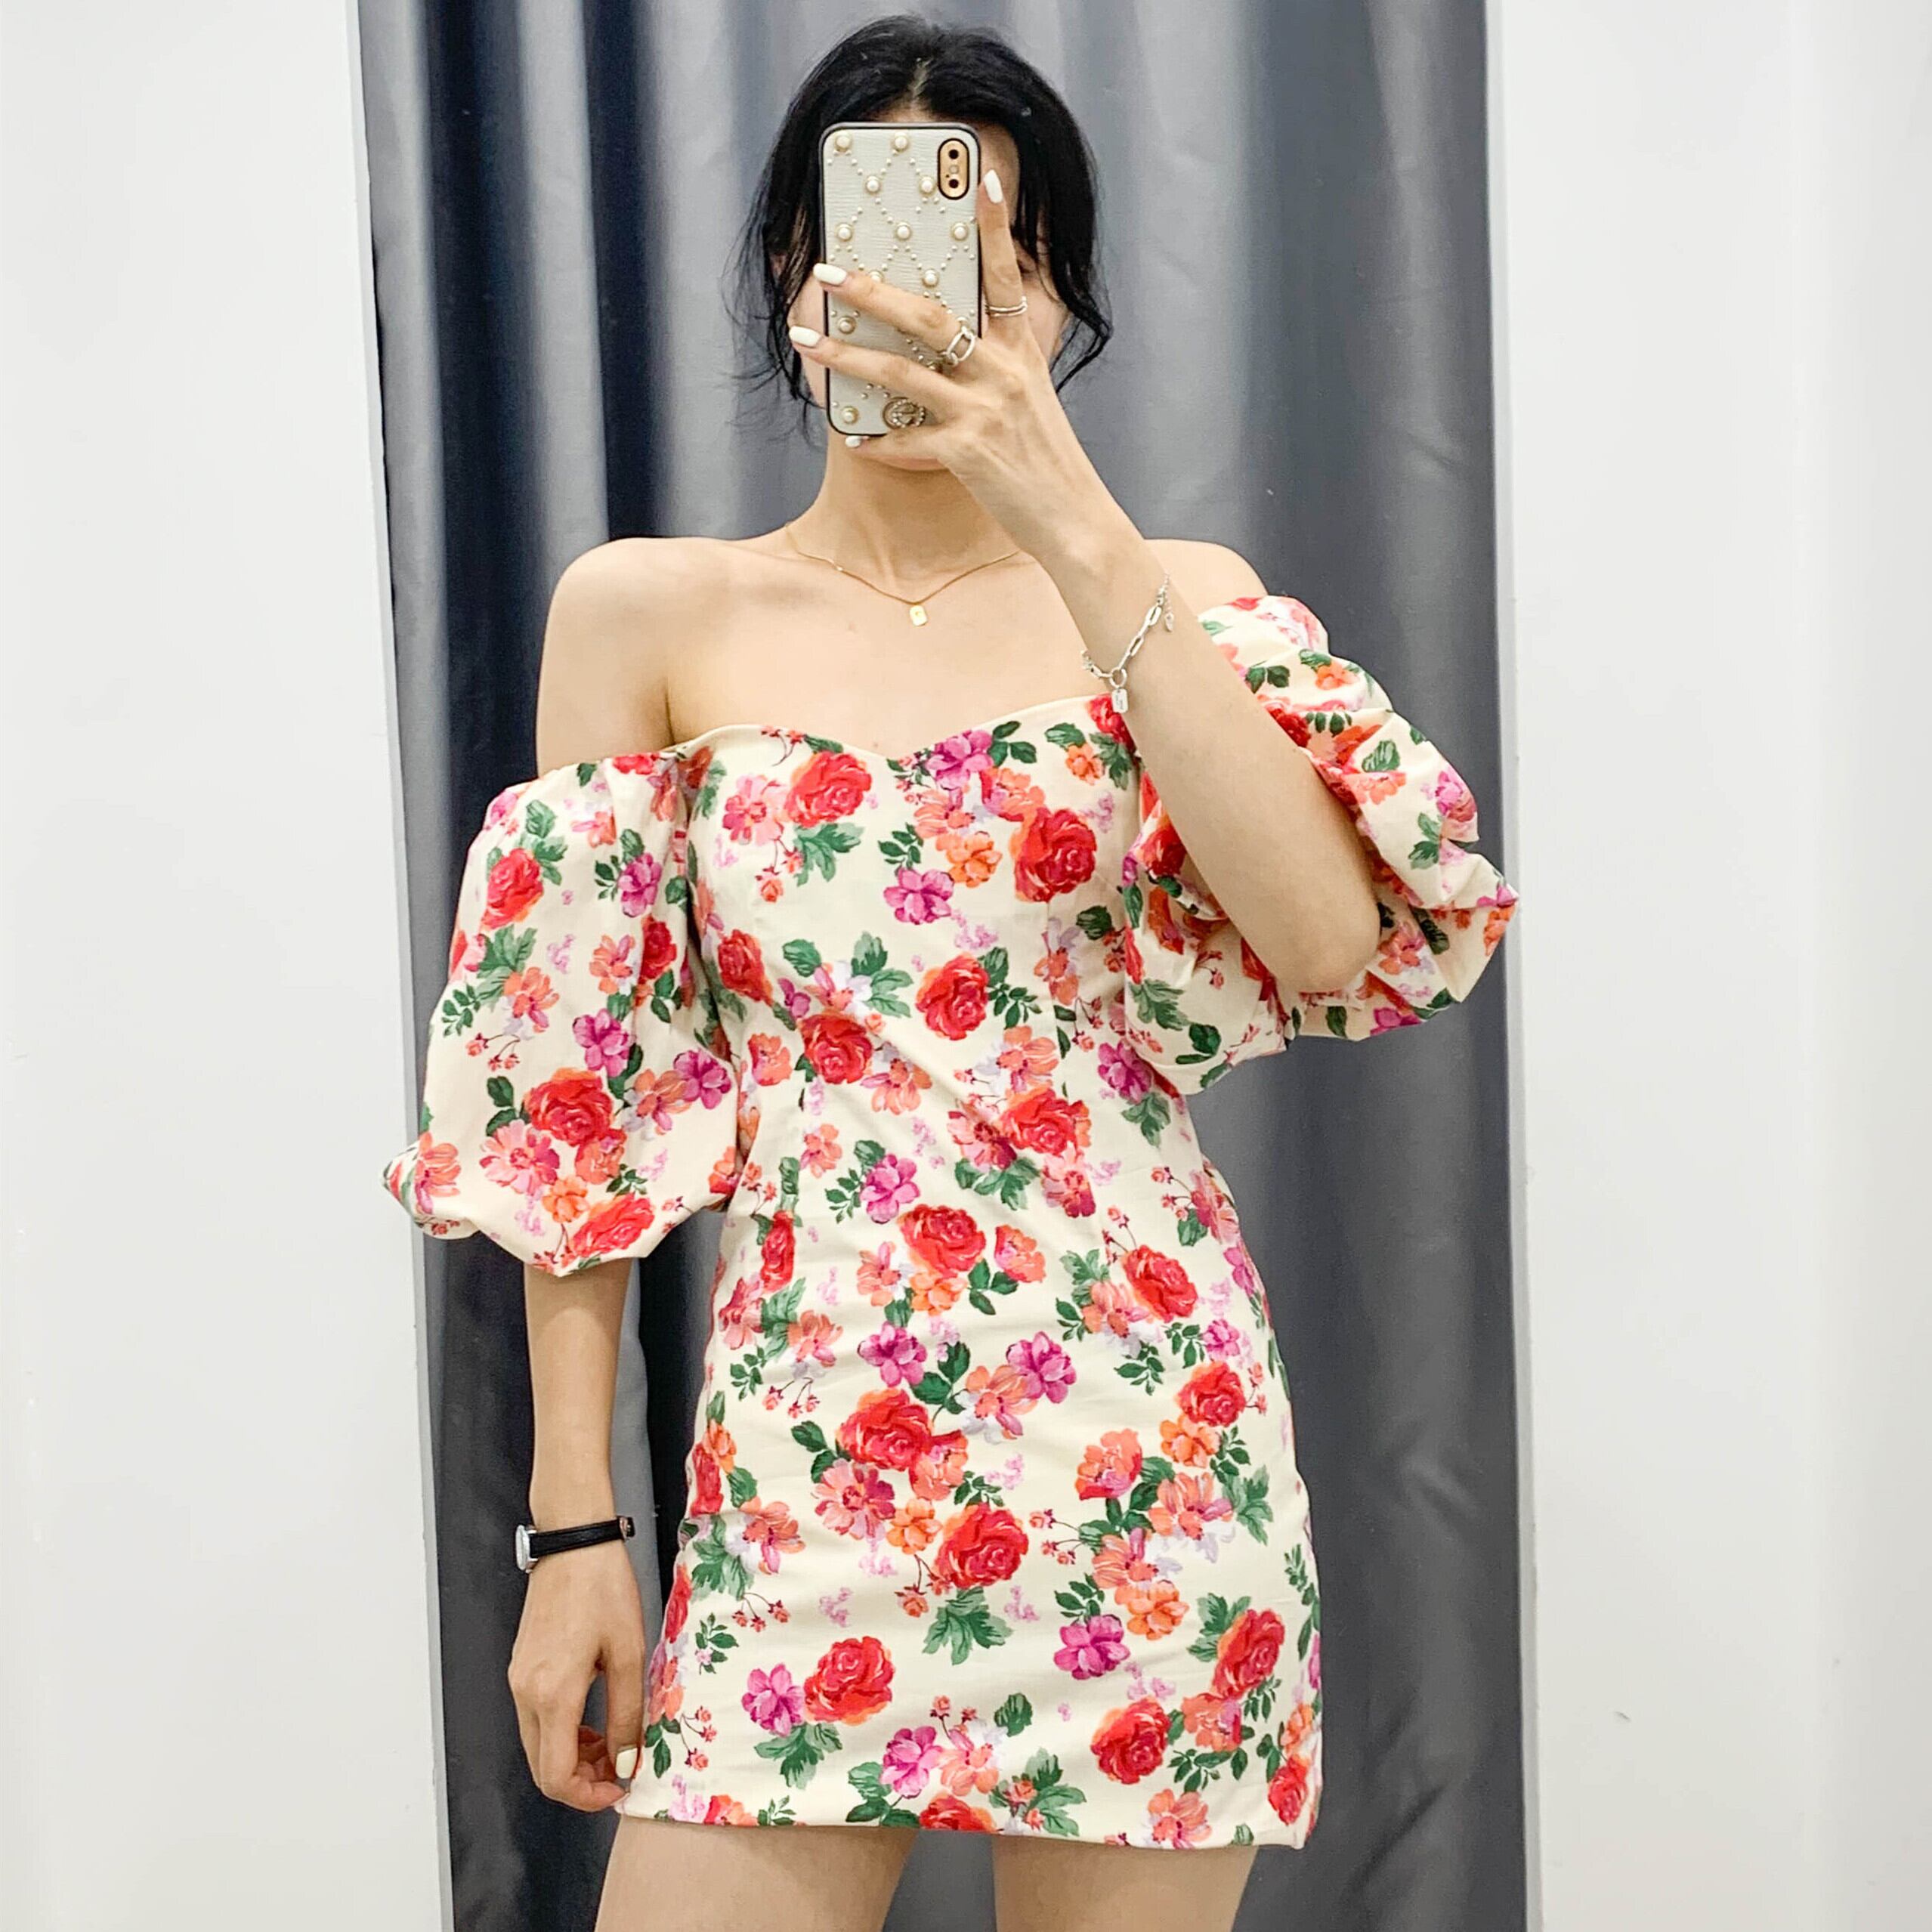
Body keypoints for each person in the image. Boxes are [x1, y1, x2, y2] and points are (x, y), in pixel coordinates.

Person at [382, 18, 1519, 1932]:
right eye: (888, 229)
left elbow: (1329, 942)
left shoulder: (1176, 594)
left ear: (1053, 286)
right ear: (792, 262)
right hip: (806, 1444)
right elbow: (573, 1116)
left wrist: (1068, 516)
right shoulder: (647, 614)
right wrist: (575, 1524)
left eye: (993, 250)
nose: (931, 292)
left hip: (1144, 1438)